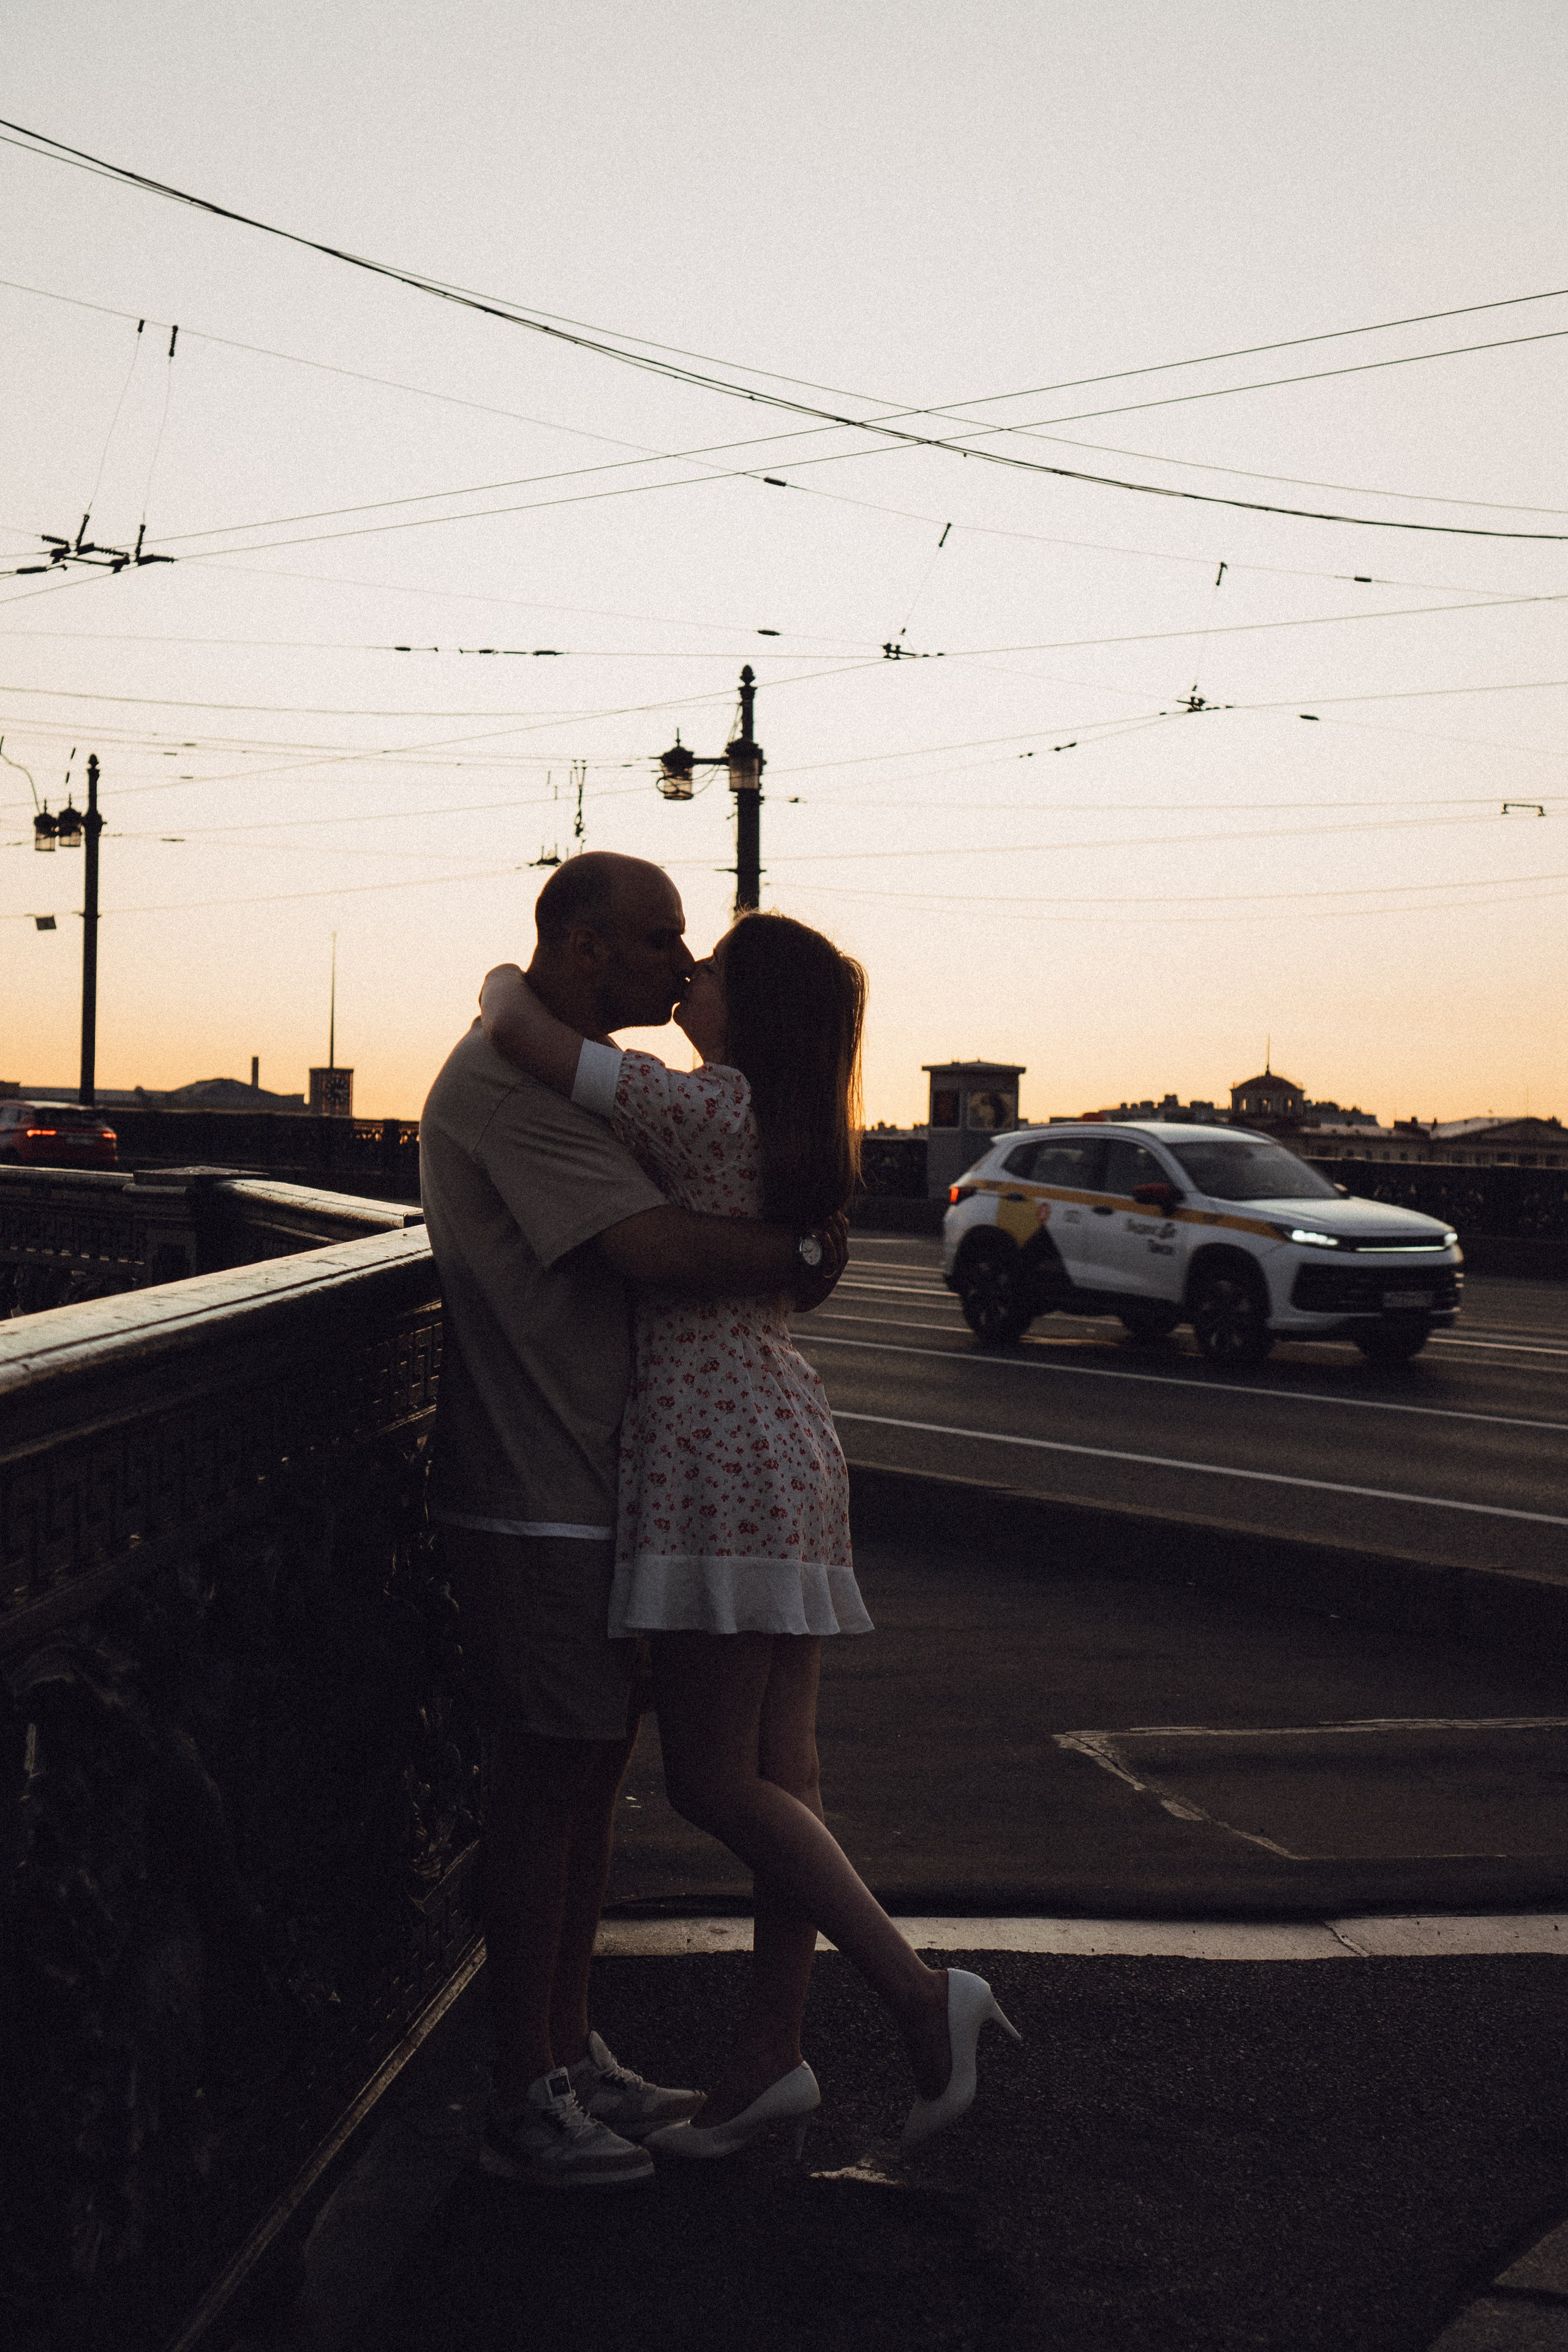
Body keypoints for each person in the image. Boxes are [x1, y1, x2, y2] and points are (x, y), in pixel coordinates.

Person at [479, 907, 1020, 2162]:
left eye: (710, 966)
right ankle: (768, 2054)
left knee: (710, 1781)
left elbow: (518, 1027)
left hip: (708, 1455)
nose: (689, 973)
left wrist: (512, 967)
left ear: (751, 1006)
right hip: (786, 1439)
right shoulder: (792, 1121)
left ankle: (914, 1992)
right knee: (787, 1778)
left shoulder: (698, 1105)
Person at [420, 853, 850, 2189]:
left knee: (585, 1787)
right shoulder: (509, 1090)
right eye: (662, 942)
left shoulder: (562, 1067)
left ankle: (566, 2048)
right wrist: (806, 1255)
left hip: (592, 1486)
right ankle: (523, 2093)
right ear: (589, 949)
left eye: (692, 951)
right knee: (549, 1791)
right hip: (537, 1490)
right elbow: (652, 1252)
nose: (680, 965)